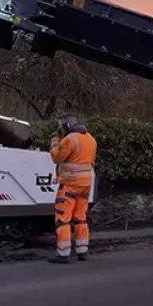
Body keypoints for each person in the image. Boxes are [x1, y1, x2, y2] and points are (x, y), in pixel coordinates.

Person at [48, 113, 97, 264]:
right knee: (81, 217)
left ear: (67, 126)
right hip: (85, 185)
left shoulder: (70, 139)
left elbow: (57, 157)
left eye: (62, 127)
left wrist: (55, 143)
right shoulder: (91, 139)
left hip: (70, 184)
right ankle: (83, 251)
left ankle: (63, 254)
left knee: (63, 219)